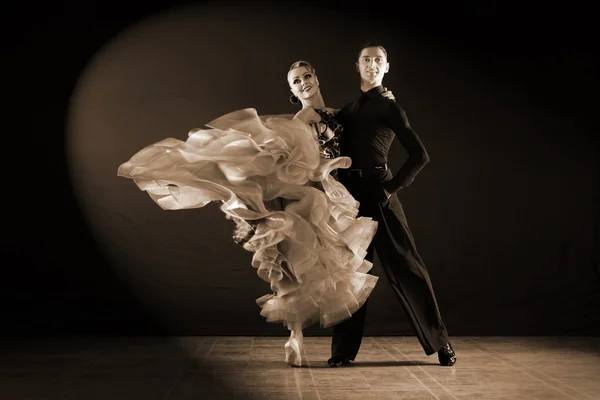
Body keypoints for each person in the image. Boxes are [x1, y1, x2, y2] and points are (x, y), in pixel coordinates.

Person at [117, 60, 392, 367]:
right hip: (308, 195)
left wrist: (385, 97)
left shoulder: (336, 113)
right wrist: (324, 168)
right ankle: (296, 338)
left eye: (307, 76)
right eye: (296, 81)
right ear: (291, 91)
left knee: (308, 264)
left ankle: (298, 339)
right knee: (298, 263)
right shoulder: (301, 118)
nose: (303, 83)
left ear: (316, 77)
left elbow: (359, 117)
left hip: (328, 198)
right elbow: (302, 163)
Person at [327, 43, 457, 367]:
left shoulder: (389, 107)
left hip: (378, 193)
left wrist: (390, 190)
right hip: (350, 197)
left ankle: (441, 344)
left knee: (408, 269)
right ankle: (342, 353)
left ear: (386, 67)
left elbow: (420, 155)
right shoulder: (347, 112)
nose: (372, 64)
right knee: (351, 273)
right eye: (366, 60)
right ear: (357, 66)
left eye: (378, 60)